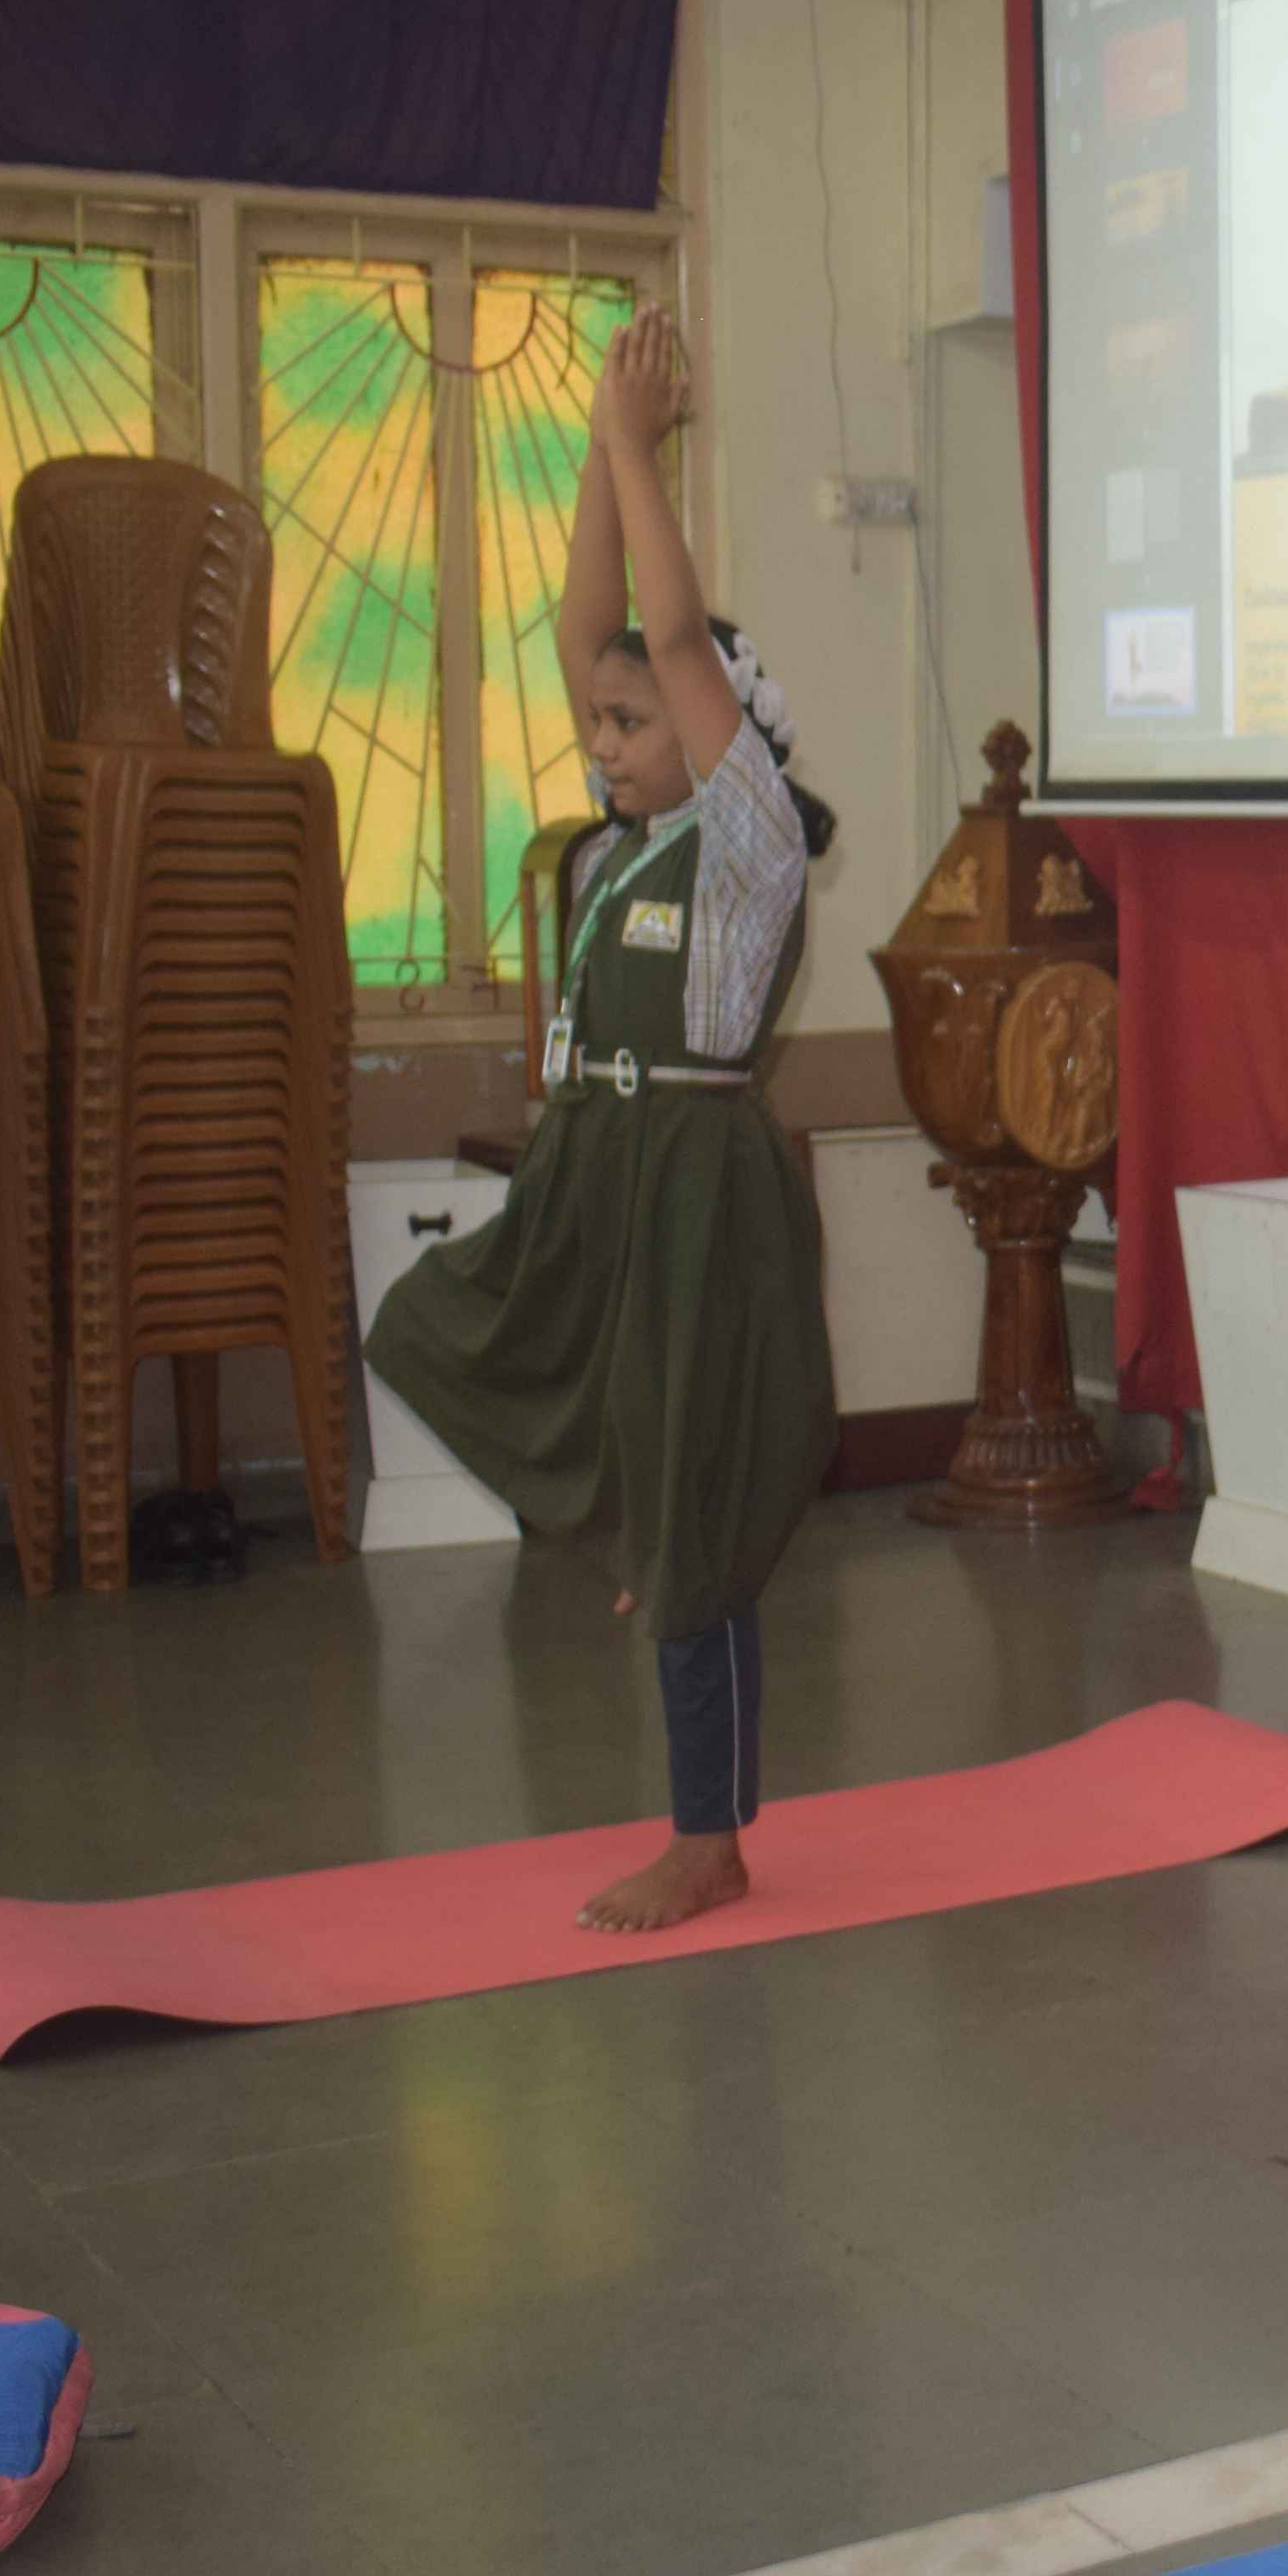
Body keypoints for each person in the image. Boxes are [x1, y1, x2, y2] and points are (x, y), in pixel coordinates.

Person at [367, 306, 839, 1933]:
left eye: (633, 728)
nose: (603, 738)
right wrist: (589, 441)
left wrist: (641, 455)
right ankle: (627, 1510)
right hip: (597, 1176)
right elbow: (596, 642)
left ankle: (707, 1835)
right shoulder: (611, 842)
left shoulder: (749, 836)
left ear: (719, 746)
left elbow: (671, 641)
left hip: (698, 1187)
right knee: (433, 1323)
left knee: (698, 1512)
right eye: (600, 728)